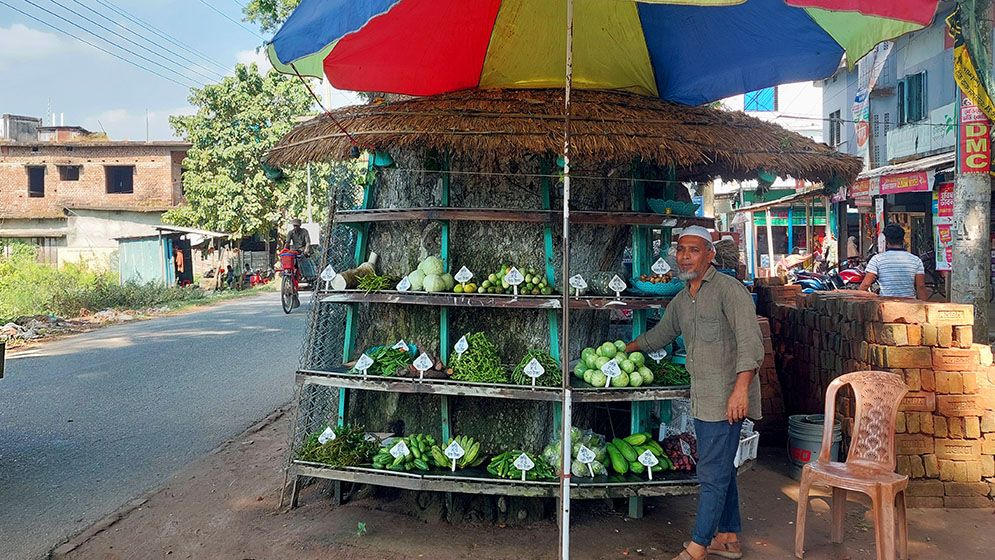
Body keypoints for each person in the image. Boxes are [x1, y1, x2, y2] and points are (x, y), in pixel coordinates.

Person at [625, 225, 764, 560]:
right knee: (722, 468)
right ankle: (728, 537)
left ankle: (698, 546)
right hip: (703, 396)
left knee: (712, 473)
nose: (684, 256)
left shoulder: (730, 291)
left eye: (694, 250)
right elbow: (661, 334)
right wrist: (624, 348)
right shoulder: (683, 298)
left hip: (727, 397)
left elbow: (751, 344)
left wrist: (740, 391)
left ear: (710, 254)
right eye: (680, 250)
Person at [859, 223, 927, 300]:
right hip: (910, 304)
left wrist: (857, 299)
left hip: (886, 305)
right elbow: (921, 286)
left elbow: (866, 284)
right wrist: (924, 305)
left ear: (886, 241)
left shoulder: (877, 259)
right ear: (903, 240)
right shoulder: (916, 260)